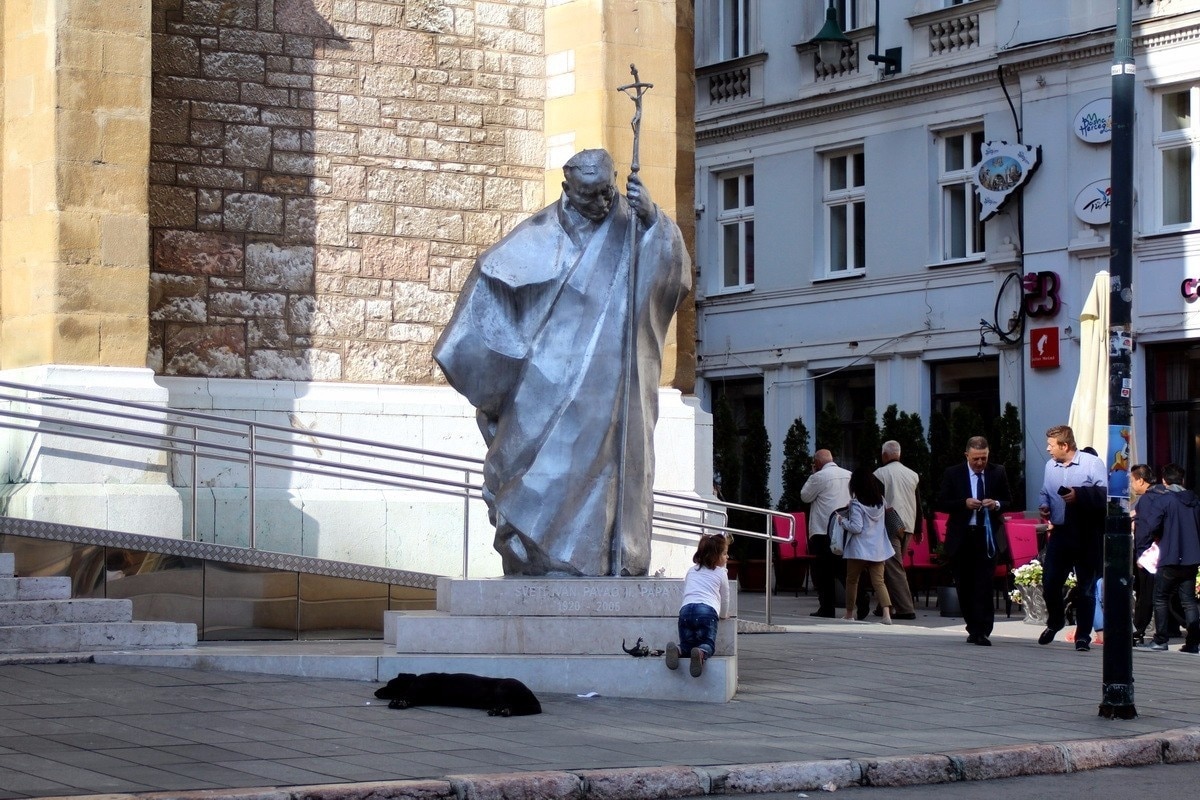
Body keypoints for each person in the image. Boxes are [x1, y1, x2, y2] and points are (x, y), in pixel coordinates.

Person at [433, 149, 691, 577]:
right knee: (536, 471)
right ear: (567, 190)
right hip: (544, 384)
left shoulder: (632, 225)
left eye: (606, 192)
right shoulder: (535, 236)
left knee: (605, 473)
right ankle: (534, 551)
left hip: (613, 386)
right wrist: (501, 373)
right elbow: (487, 290)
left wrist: (653, 220)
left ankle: (607, 558)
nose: (600, 204)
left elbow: (672, 276)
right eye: (588, 195)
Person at [1037, 424, 1108, 651]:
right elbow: (1044, 491)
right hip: (1060, 531)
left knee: (1086, 587)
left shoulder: (1092, 463)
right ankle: (1056, 620)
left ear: (1064, 445)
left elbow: (1105, 494)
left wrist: (1080, 495)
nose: (1048, 449)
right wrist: (1044, 505)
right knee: (1049, 582)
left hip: (1087, 533)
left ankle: (1083, 636)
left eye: (1051, 445)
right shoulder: (1050, 466)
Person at [936, 435, 1012, 646]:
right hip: (962, 536)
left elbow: (1008, 500)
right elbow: (942, 502)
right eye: (976, 459)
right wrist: (964, 503)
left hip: (987, 536)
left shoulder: (998, 472)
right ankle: (972, 626)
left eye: (984, 459)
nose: (980, 463)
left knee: (984, 584)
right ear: (967, 455)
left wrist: (995, 503)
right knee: (965, 584)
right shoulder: (954, 473)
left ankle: (983, 630)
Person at [1134, 463, 1200, 654]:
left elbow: (1152, 526)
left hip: (1169, 556)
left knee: (1161, 598)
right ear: (1183, 480)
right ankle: (1193, 642)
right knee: (1188, 600)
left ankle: (1160, 639)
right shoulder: (1194, 501)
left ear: (1164, 481)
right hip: (1191, 558)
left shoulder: (1164, 501)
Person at [666, 533, 731, 677]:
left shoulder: (691, 571)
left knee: (687, 645)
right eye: (725, 554)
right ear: (715, 556)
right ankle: (701, 652)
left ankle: (677, 650)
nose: (727, 557)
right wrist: (724, 614)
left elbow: (687, 590)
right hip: (706, 611)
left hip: (685, 610)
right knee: (707, 643)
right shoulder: (721, 573)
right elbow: (725, 597)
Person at [838, 466, 895, 624]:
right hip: (878, 548)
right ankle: (886, 614)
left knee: (852, 580)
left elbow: (856, 528)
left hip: (858, 549)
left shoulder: (856, 504)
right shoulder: (881, 501)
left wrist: (843, 521)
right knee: (879, 581)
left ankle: (849, 613)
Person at [800, 449, 853, 618]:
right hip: (845, 528)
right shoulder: (849, 474)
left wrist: (813, 474)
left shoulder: (818, 477)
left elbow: (805, 496)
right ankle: (861, 599)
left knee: (824, 572)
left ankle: (827, 607)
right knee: (843, 569)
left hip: (823, 530)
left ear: (817, 463)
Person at [874, 440, 922, 620]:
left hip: (890, 525)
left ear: (885, 455)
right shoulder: (912, 474)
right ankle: (883, 605)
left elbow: (876, 502)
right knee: (891, 564)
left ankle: (905, 608)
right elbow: (918, 502)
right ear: (899, 454)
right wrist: (919, 528)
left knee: (893, 566)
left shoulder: (880, 474)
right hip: (908, 524)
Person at [1130, 463, 1165, 645]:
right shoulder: (1164, 495)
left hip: (1150, 556)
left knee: (1145, 594)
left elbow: (1145, 530)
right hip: (1168, 553)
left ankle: (1138, 629)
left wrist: (1140, 555)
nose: (1132, 485)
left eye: (1132, 481)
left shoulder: (1145, 500)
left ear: (1141, 480)